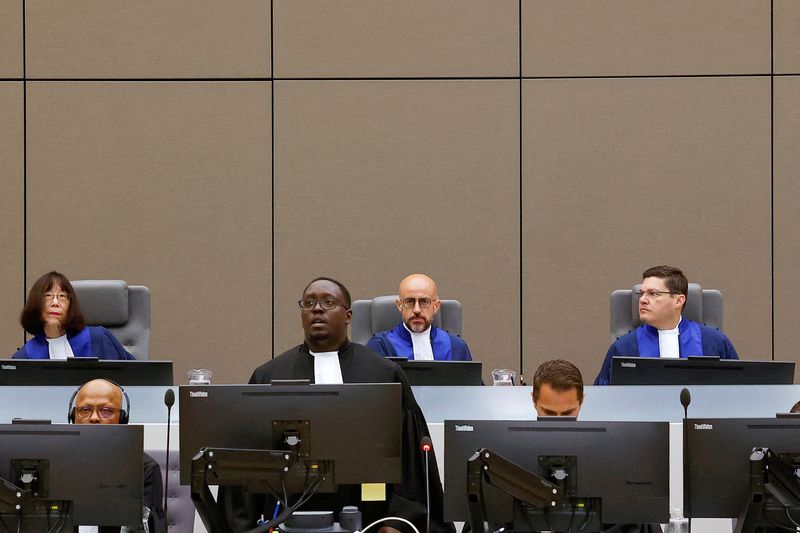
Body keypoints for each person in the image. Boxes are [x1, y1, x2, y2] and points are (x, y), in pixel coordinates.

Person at [220, 277, 454, 533]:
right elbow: (246, 468)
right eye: (309, 303)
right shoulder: (269, 377)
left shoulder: (384, 375)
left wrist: (395, 522)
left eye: (328, 302)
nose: (317, 309)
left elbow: (413, 462)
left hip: (371, 519)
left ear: (348, 315)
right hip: (288, 519)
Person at [594, 265, 738, 385]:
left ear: (678, 301)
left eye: (653, 294)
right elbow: (604, 399)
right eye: (642, 293)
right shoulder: (624, 347)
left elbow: (739, 392)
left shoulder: (714, 343)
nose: (643, 300)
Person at [70, 378, 164, 533]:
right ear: (73, 416)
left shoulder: (143, 468)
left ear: (122, 419)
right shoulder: (52, 463)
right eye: (85, 410)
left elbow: (149, 528)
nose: (94, 418)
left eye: (105, 411)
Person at [12, 271, 134, 360]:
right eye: (48, 296)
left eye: (62, 296)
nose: (55, 303)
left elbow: (135, 377)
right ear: (35, 304)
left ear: (71, 306)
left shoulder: (99, 338)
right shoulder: (24, 357)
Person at [367, 274, 472, 361]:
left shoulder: (456, 347)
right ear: (400, 306)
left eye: (424, 302)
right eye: (409, 301)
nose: (417, 310)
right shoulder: (380, 346)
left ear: (436, 306)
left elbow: (473, 386)